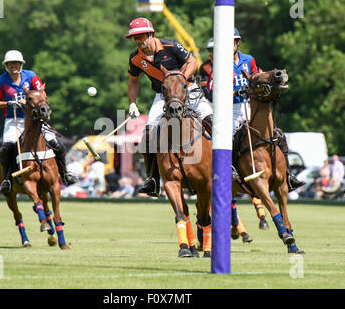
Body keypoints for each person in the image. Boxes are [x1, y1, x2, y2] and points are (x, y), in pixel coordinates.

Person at [206, 27, 304, 192]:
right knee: (230, 136)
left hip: (253, 105)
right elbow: (211, 92)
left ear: (237, 43)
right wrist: (236, 92)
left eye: (232, 42)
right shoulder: (219, 64)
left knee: (277, 134)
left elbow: (257, 76)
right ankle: (230, 167)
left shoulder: (248, 59)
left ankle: (288, 175)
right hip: (232, 108)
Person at [125, 17, 213, 197]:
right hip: (163, 96)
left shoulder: (170, 46)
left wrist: (180, 79)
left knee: (212, 121)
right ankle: (152, 179)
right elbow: (133, 81)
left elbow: (193, 62)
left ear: (151, 34)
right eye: (135, 38)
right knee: (148, 134)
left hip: (187, 89)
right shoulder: (135, 59)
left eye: (141, 36)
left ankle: (229, 166)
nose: (139, 41)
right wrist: (132, 103)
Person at [0, 50, 77, 195]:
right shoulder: (1, 81)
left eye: (16, 63)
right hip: (13, 120)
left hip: (34, 119)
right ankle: (7, 180)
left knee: (56, 144)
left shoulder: (31, 76)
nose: (13, 66)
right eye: (10, 64)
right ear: (6, 65)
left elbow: (42, 92)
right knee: (7, 148)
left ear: (21, 64)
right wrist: (9, 103)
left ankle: (65, 174)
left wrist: (33, 100)